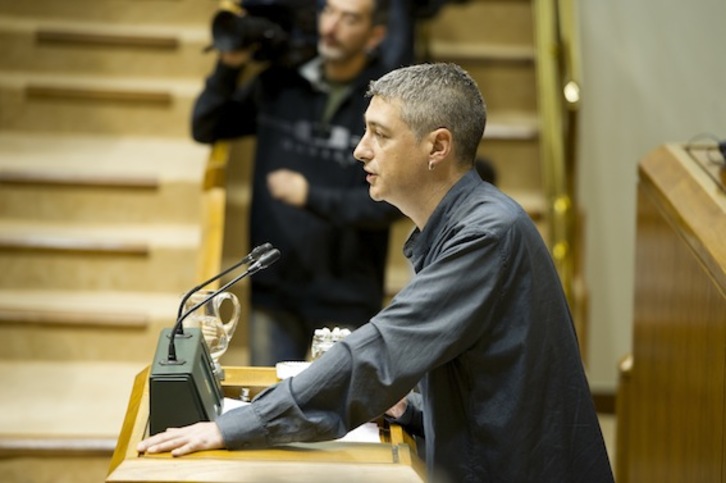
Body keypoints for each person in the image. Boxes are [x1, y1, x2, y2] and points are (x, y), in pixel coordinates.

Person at [139, 63, 614, 482]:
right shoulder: (471, 223)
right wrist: (412, 408)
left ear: (438, 146)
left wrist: (231, 427)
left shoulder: (486, 234)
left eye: (380, 135)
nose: (360, 151)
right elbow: (485, 376)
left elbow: (383, 348)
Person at [193, 0, 403, 366]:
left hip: (347, 295)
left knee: (344, 419)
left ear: (376, 35)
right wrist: (229, 67)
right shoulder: (280, 82)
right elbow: (207, 126)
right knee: (269, 411)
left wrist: (310, 195)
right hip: (275, 289)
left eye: (349, 18)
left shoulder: (391, 104)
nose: (331, 27)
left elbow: (388, 204)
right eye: (329, 12)